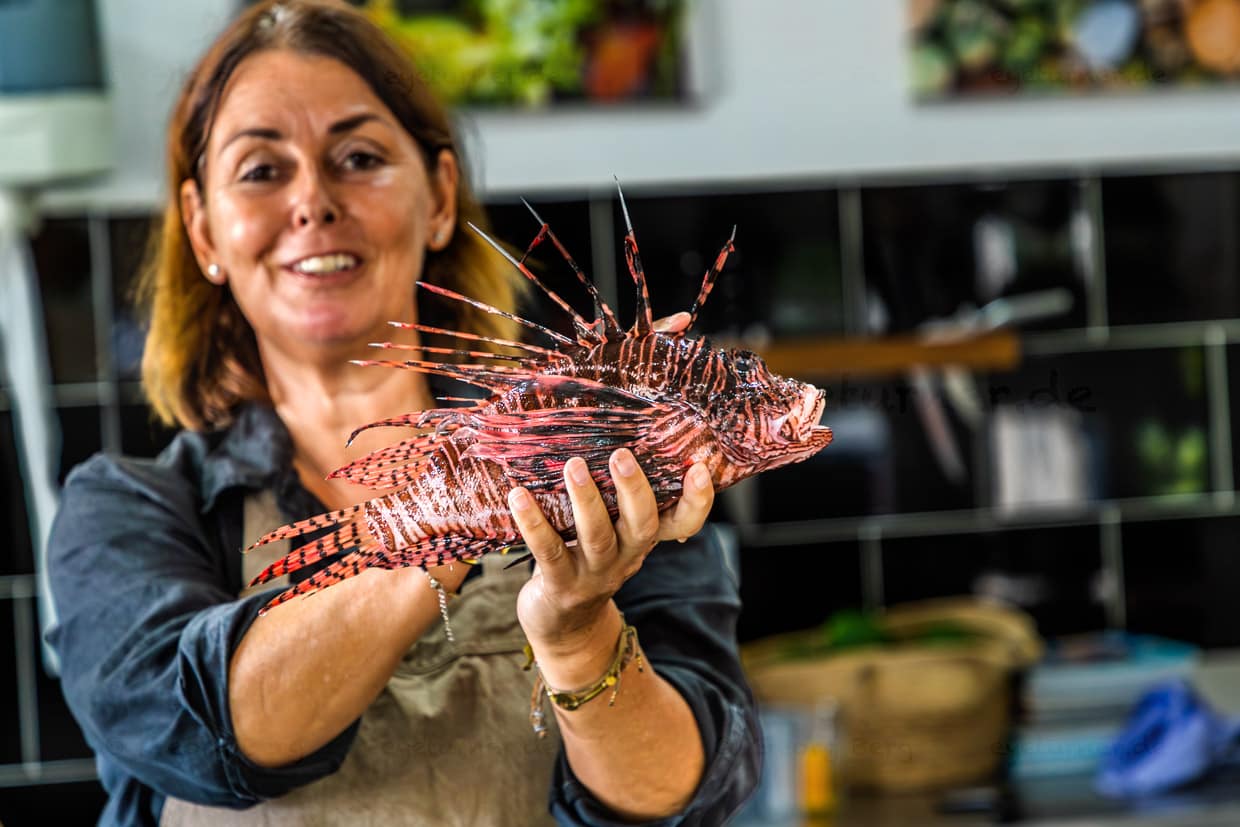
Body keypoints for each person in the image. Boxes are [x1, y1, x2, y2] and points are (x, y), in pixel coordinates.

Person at [45, 1, 761, 825]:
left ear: (439, 198)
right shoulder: (127, 511)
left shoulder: (602, 463)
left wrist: (575, 634)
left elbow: (682, 791)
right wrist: (469, 505)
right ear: (205, 229)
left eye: (359, 157)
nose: (313, 199)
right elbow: (214, 735)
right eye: (261, 170)